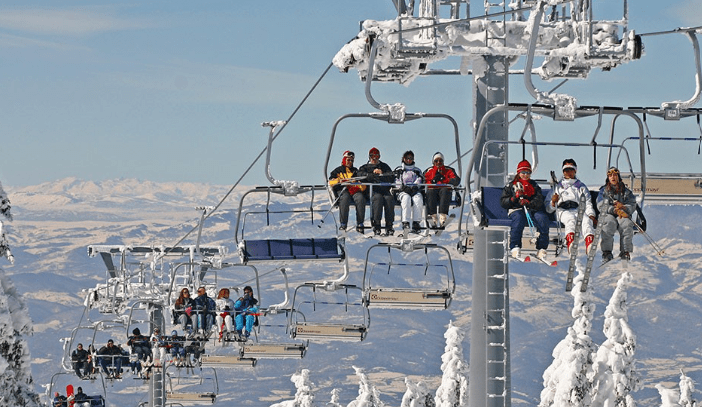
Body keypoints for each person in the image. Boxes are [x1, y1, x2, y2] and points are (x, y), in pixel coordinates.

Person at [500, 160, 550, 261]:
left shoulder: (534, 186)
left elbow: (539, 199)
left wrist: (529, 203)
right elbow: (504, 202)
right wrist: (513, 199)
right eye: (523, 173)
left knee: (542, 219)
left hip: (532, 209)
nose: (525, 175)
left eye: (528, 173)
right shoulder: (511, 186)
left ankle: (542, 248)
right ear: (519, 173)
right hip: (517, 209)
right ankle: (515, 246)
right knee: (518, 219)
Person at [546, 158, 597, 254]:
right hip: (562, 210)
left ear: (575, 171)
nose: (568, 173)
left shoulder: (580, 186)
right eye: (566, 170)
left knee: (586, 220)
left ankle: (590, 242)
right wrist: (553, 203)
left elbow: (588, 202)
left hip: (577, 209)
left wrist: (591, 215)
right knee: (570, 219)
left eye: (571, 170)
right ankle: (571, 241)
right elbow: (548, 208)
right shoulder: (557, 187)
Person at [597, 167, 636, 261]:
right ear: (608, 178)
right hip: (608, 214)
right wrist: (614, 210)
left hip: (621, 214)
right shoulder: (604, 191)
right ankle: (607, 252)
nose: (613, 177)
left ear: (618, 177)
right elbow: (600, 205)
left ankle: (625, 251)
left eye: (614, 175)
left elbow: (632, 204)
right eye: (610, 176)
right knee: (609, 223)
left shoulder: (626, 191)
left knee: (626, 224)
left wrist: (624, 207)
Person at [328, 150, 367, 233]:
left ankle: (360, 223)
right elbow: (331, 182)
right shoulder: (338, 171)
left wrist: (356, 183)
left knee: (360, 198)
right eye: (348, 160)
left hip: (353, 189)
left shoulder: (356, 171)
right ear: (344, 160)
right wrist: (340, 181)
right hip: (342, 189)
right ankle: (343, 223)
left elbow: (363, 185)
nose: (350, 162)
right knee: (345, 198)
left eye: (352, 160)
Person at [359, 147, 396, 235]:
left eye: (377, 156)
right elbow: (359, 174)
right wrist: (370, 175)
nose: (374, 158)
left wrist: (382, 174)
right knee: (378, 199)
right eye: (372, 156)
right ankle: (377, 224)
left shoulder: (384, 166)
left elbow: (391, 176)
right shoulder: (365, 167)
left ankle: (389, 225)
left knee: (389, 199)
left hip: (384, 190)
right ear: (369, 157)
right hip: (372, 191)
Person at [423, 152, 460, 228]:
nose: (438, 162)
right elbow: (423, 181)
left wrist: (445, 180)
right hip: (433, 195)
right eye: (436, 161)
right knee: (430, 191)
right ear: (433, 162)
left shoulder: (448, 170)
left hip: (444, 194)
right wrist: (432, 181)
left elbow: (456, 180)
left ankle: (443, 217)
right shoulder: (429, 171)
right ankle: (433, 217)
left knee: (445, 189)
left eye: (440, 161)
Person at [393, 150, 425, 234]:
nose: (409, 160)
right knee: (406, 199)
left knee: (418, 199)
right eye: (407, 158)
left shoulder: (417, 170)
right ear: (403, 159)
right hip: (403, 191)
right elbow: (396, 181)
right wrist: (403, 187)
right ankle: (405, 222)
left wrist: (415, 186)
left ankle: (416, 222)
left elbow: (420, 179)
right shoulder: (399, 170)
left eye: (411, 158)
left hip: (414, 190)